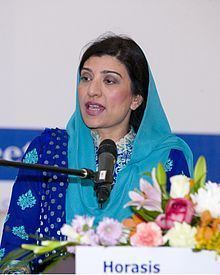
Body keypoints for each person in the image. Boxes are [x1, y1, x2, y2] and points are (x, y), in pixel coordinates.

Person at [0, 34, 193, 270]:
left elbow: (181, 250)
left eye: (109, 81)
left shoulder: (166, 159)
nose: (92, 90)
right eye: (85, 77)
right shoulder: (48, 152)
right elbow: (16, 245)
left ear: (136, 98)